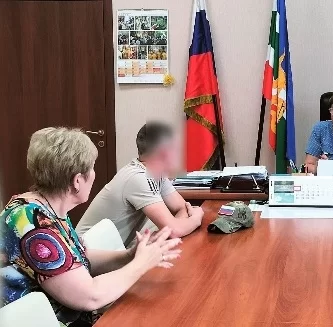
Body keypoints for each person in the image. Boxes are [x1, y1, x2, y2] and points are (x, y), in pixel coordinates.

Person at [0, 127, 181, 326]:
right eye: (92, 168)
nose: (94, 174)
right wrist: (141, 264)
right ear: (77, 181)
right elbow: (90, 296)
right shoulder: (33, 226)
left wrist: (130, 255)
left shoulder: (44, 207)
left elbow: (78, 260)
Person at [77, 122, 204, 246]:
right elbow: (175, 230)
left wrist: (174, 227)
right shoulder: (138, 178)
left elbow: (182, 208)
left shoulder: (154, 172)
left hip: (116, 251)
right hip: (84, 255)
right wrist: (195, 219)